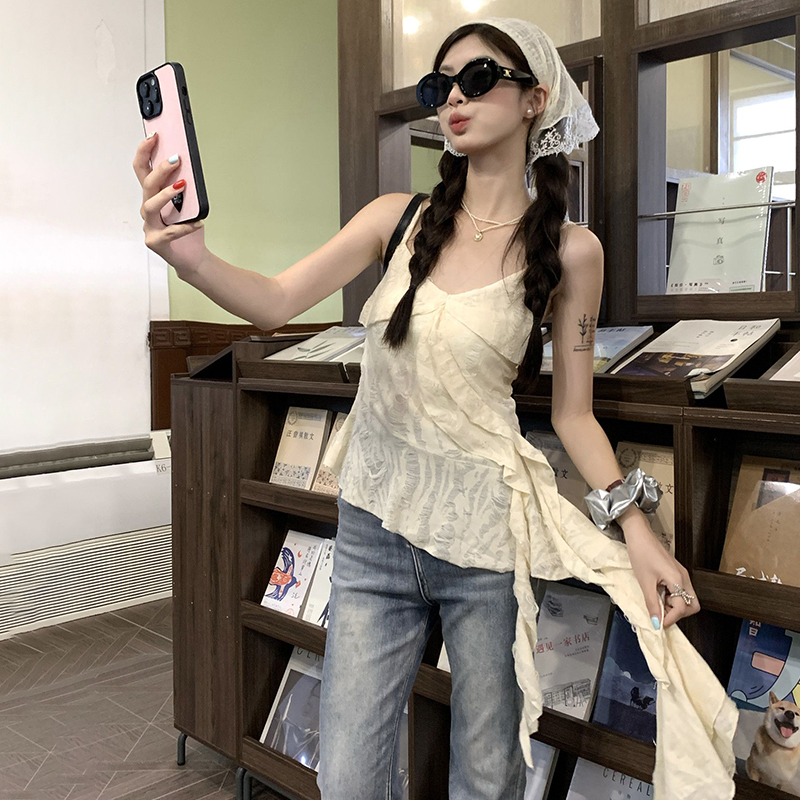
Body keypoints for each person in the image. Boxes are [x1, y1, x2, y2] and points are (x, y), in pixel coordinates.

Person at [133, 17, 738, 800]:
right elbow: (276, 301)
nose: (453, 97)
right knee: (348, 779)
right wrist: (191, 258)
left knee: (485, 777)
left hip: (481, 542)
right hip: (373, 533)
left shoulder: (572, 250)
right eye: (439, 85)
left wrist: (640, 535)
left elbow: (574, 415)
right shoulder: (398, 218)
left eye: (477, 78)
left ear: (535, 99)